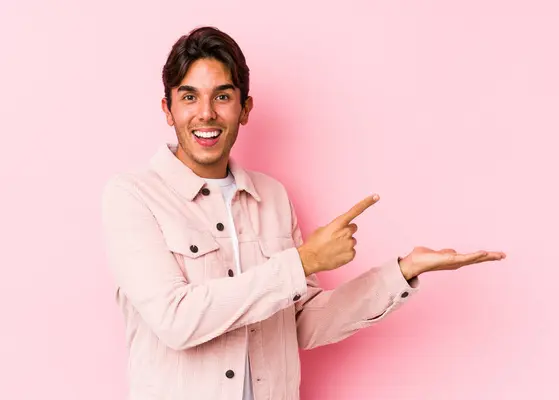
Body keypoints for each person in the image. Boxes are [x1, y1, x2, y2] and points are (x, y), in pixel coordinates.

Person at [101, 26, 506, 400]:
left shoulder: (273, 197)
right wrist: (304, 260)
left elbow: (301, 324)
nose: (205, 112)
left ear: (244, 109)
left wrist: (402, 271)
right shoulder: (133, 197)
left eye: (222, 96)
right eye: (189, 97)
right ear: (168, 110)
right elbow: (176, 319)